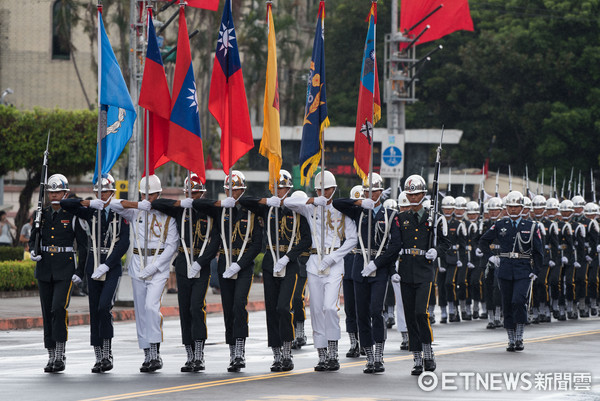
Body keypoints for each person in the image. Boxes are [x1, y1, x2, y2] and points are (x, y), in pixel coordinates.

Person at [284, 170, 357, 372]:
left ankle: (333, 354)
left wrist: (333, 258)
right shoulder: (311, 207)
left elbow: (352, 239)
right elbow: (288, 202)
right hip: (314, 262)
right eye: (319, 189)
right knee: (316, 310)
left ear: (334, 189)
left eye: (327, 189)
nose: (323, 192)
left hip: (333, 262)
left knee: (329, 308)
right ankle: (322, 355)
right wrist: (314, 200)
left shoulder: (341, 210)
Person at [190, 170, 263, 372]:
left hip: (243, 264)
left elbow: (257, 244)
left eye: (236, 189)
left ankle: (240, 351)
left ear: (243, 189)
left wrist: (239, 264)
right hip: (224, 263)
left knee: (239, 305)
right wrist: (221, 204)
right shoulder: (222, 210)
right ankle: (232, 352)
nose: (232, 192)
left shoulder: (251, 211)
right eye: (228, 188)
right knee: (228, 308)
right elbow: (197, 203)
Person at [239, 169, 311, 372]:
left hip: (289, 265)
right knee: (271, 310)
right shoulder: (268, 208)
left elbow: (306, 239)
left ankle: (288, 352)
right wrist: (266, 201)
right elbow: (246, 201)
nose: (279, 191)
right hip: (271, 262)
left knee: (283, 307)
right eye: (276, 188)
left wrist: (289, 256)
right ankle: (277, 355)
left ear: (288, 189)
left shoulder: (296, 209)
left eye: (282, 188)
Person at [108, 174, 179, 372]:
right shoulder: (136, 213)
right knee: (140, 313)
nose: (148, 198)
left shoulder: (168, 216)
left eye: (152, 195)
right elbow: (112, 204)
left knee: (150, 307)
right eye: (144, 194)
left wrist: (155, 267)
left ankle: (156, 352)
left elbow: (172, 245)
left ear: (159, 194)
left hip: (158, 267)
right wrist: (138, 204)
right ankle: (147, 354)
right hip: (138, 265)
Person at [151, 173, 220, 372]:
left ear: (203, 193)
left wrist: (201, 262)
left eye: (197, 192)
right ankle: (189, 355)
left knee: (196, 308)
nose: (194, 195)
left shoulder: (209, 212)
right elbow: (158, 203)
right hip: (183, 264)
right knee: (185, 310)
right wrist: (182, 203)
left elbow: (215, 240)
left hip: (201, 264)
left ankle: (199, 355)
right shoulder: (182, 210)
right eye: (190, 192)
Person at [61, 173, 130, 373]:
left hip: (111, 266)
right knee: (94, 310)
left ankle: (108, 353)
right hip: (92, 265)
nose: (103, 194)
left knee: (103, 307)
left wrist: (108, 264)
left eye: (106, 191)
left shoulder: (121, 214)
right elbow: (67, 204)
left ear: (113, 192)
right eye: (99, 191)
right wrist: (89, 203)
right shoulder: (92, 212)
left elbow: (123, 243)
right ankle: (99, 356)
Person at [334, 173, 401, 374]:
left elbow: (395, 245)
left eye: (374, 191)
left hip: (379, 269)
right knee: (361, 313)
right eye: (367, 191)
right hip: (359, 268)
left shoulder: (390, 215)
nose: (370, 194)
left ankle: (379, 356)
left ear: (381, 192)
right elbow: (338, 203)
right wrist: (360, 202)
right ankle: (369, 357)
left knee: (375, 311)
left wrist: (377, 263)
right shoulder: (359, 212)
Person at [29, 174, 87, 373]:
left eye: (58, 192)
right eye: (51, 192)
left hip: (65, 269)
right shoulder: (42, 214)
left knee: (58, 308)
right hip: (45, 268)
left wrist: (80, 272)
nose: (54, 196)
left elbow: (83, 245)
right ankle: (51, 354)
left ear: (66, 193)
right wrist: (33, 251)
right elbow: (33, 238)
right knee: (47, 312)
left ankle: (61, 352)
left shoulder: (72, 215)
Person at [395, 175, 449, 375]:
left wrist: (436, 251)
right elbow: (395, 244)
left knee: (421, 313)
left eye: (416, 194)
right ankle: (417, 358)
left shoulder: (434, 217)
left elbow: (445, 242)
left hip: (425, 270)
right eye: (410, 194)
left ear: (424, 194)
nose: (413, 197)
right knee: (410, 316)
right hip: (406, 270)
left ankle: (428, 352)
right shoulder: (401, 218)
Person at [479, 191, 543, 352]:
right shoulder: (500, 224)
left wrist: (536, 270)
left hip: (523, 270)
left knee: (518, 301)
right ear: (506, 208)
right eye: (510, 207)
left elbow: (538, 251)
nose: (513, 209)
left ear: (522, 208)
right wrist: (491, 257)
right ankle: (511, 339)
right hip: (505, 269)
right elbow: (483, 241)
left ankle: (520, 336)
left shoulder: (531, 226)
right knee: (507, 303)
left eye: (516, 207)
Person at [341, 185, 364, 359]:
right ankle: (354, 342)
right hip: (348, 265)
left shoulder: (369, 216)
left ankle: (365, 342)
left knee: (363, 307)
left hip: (364, 265)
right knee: (350, 307)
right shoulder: (344, 217)